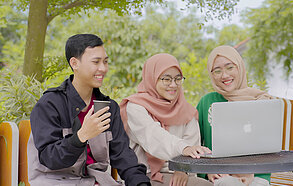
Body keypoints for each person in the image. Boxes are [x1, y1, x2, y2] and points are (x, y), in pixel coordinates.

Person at [28, 34, 151, 186]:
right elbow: (49, 158)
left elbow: (123, 156)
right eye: (96, 62)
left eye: (105, 62)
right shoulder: (50, 104)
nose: (103, 68)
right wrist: (81, 136)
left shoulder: (108, 107)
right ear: (75, 63)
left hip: (95, 181)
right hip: (55, 181)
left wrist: (141, 183)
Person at [119, 53, 213, 186]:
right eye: (166, 79)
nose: (173, 85)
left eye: (178, 79)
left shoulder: (187, 111)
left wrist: (183, 170)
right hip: (142, 176)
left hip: (177, 174)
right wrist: (183, 148)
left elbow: (192, 150)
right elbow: (153, 137)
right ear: (152, 78)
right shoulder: (135, 107)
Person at [197, 45, 272, 186]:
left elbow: (268, 144)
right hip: (220, 173)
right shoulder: (207, 101)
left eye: (230, 67)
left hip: (257, 173)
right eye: (217, 71)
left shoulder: (260, 100)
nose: (225, 75)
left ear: (240, 67)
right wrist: (208, 169)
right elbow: (195, 144)